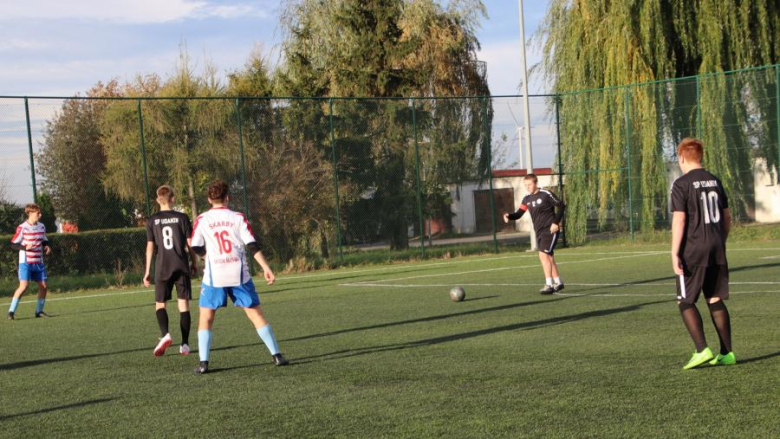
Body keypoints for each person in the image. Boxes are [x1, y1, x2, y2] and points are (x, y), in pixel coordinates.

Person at [190, 180, 288, 374]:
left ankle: (203, 363)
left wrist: (206, 255)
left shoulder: (202, 218)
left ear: (210, 199)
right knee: (255, 315)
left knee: (206, 318)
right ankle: (276, 355)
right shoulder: (237, 217)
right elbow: (252, 245)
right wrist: (266, 267)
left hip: (214, 276)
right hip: (238, 274)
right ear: (227, 197)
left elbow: (194, 245)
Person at [671, 138, 735, 369]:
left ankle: (701, 349)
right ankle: (727, 353)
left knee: (685, 299)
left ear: (681, 157)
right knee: (714, 297)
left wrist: (674, 252)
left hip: (694, 248)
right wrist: (720, 241)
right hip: (717, 245)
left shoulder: (681, 184)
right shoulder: (715, 181)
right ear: (701, 156)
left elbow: (680, 219)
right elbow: (727, 217)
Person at [144, 185, 198, 357]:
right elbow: (190, 243)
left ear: (157, 200)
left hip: (162, 266)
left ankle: (165, 334)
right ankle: (185, 344)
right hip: (181, 264)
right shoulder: (182, 218)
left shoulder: (152, 220)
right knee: (183, 305)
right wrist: (194, 262)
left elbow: (150, 247)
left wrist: (147, 271)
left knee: (160, 304)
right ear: (172, 199)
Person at [503, 174, 566, 294]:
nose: (527, 187)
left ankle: (549, 285)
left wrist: (555, 222)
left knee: (543, 255)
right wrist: (509, 216)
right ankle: (558, 282)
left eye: (529, 184)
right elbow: (519, 214)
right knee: (549, 257)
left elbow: (561, 205)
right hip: (539, 232)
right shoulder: (526, 199)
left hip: (550, 230)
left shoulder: (545, 194)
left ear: (536, 183)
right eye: (525, 185)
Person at [8, 203, 52, 320]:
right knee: (24, 286)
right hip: (26, 262)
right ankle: (11, 312)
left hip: (39, 261)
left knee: (43, 286)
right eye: (38, 213)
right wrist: (25, 247)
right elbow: (13, 244)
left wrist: (47, 246)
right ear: (30, 213)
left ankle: (39, 311)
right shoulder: (22, 227)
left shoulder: (41, 226)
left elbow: (44, 240)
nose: (40, 215)